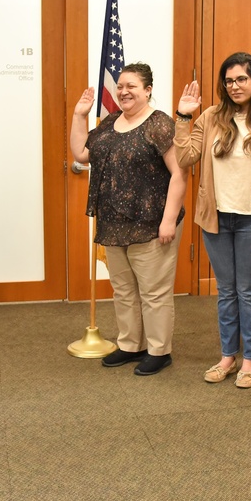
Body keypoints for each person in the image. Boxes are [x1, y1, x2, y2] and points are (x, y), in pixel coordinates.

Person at [173, 52, 251, 388]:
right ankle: (228, 357)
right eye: (229, 80)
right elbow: (184, 156)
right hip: (217, 219)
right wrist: (184, 115)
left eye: (242, 79)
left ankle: (250, 361)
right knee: (226, 292)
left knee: (249, 291)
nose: (235, 86)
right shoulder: (211, 118)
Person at [70, 63, 186, 376]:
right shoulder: (109, 122)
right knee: (123, 290)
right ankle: (131, 344)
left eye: (131, 85)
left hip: (151, 223)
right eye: (121, 86)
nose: (124, 91)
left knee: (154, 292)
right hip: (114, 224)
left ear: (148, 90)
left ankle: (159, 350)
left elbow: (179, 173)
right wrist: (79, 115)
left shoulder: (159, 124)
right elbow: (81, 153)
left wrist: (168, 220)